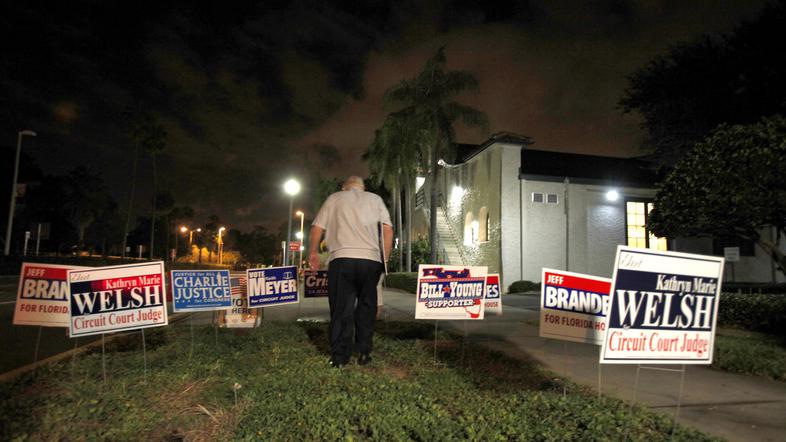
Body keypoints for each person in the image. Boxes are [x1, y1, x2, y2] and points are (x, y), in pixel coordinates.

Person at [309, 176, 393, 368]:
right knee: (366, 308)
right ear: (362, 188)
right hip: (370, 261)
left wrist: (313, 251)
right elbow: (388, 230)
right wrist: (384, 259)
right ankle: (364, 352)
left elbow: (317, 227)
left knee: (341, 309)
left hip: (342, 258)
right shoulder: (375, 199)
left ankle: (340, 357)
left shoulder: (335, 198)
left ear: (345, 187)